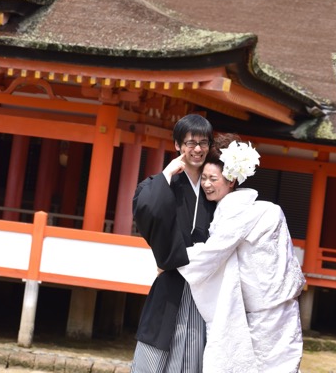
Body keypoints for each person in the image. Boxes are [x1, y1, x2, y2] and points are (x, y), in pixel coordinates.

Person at [176, 135, 305, 373]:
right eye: (203, 178)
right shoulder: (269, 210)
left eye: (213, 178)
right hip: (283, 304)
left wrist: (174, 259)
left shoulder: (235, 211)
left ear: (232, 180)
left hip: (262, 311)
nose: (206, 184)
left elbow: (212, 253)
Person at [131, 114, 216, 373]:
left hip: (204, 287)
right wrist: (167, 173)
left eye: (203, 143)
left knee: (194, 356)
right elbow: (146, 208)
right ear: (178, 145)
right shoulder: (163, 183)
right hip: (171, 280)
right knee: (153, 356)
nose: (198, 149)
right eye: (190, 143)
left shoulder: (213, 186)